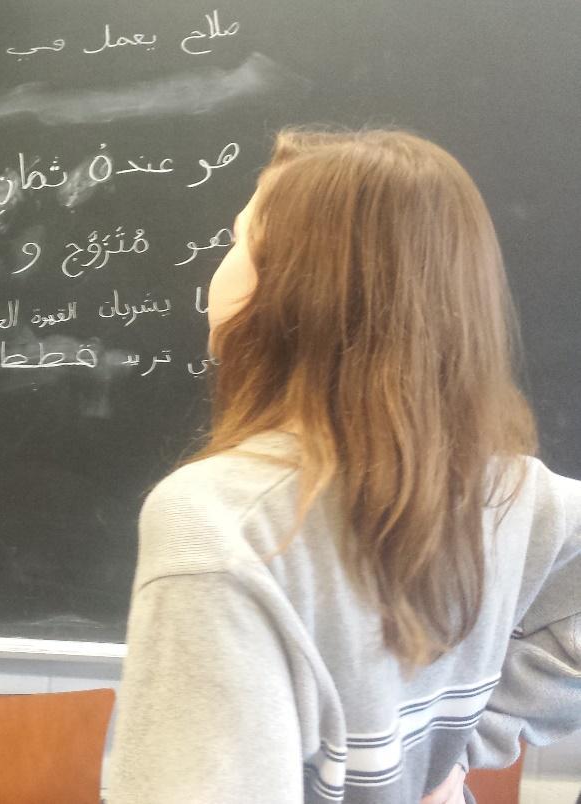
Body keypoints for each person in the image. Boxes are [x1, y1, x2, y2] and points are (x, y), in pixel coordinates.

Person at [109, 129, 580, 803]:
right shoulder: (511, 495)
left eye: (239, 239)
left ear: (301, 286)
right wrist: (449, 753)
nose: (219, 266)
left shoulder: (219, 521)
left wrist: (464, 741)